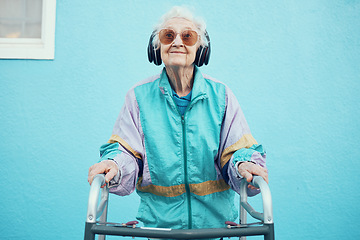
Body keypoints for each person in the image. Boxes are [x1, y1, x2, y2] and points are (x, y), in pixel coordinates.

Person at [88, 6, 268, 231]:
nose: (177, 42)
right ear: (157, 47)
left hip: (216, 228)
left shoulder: (221, 96)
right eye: (168, 35)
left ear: (201, 49)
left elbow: (236, 150)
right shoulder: (138, 96)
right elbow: (126, 152)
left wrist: (245, 164)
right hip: (159, 229)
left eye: (188, 36)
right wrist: (113, 164)